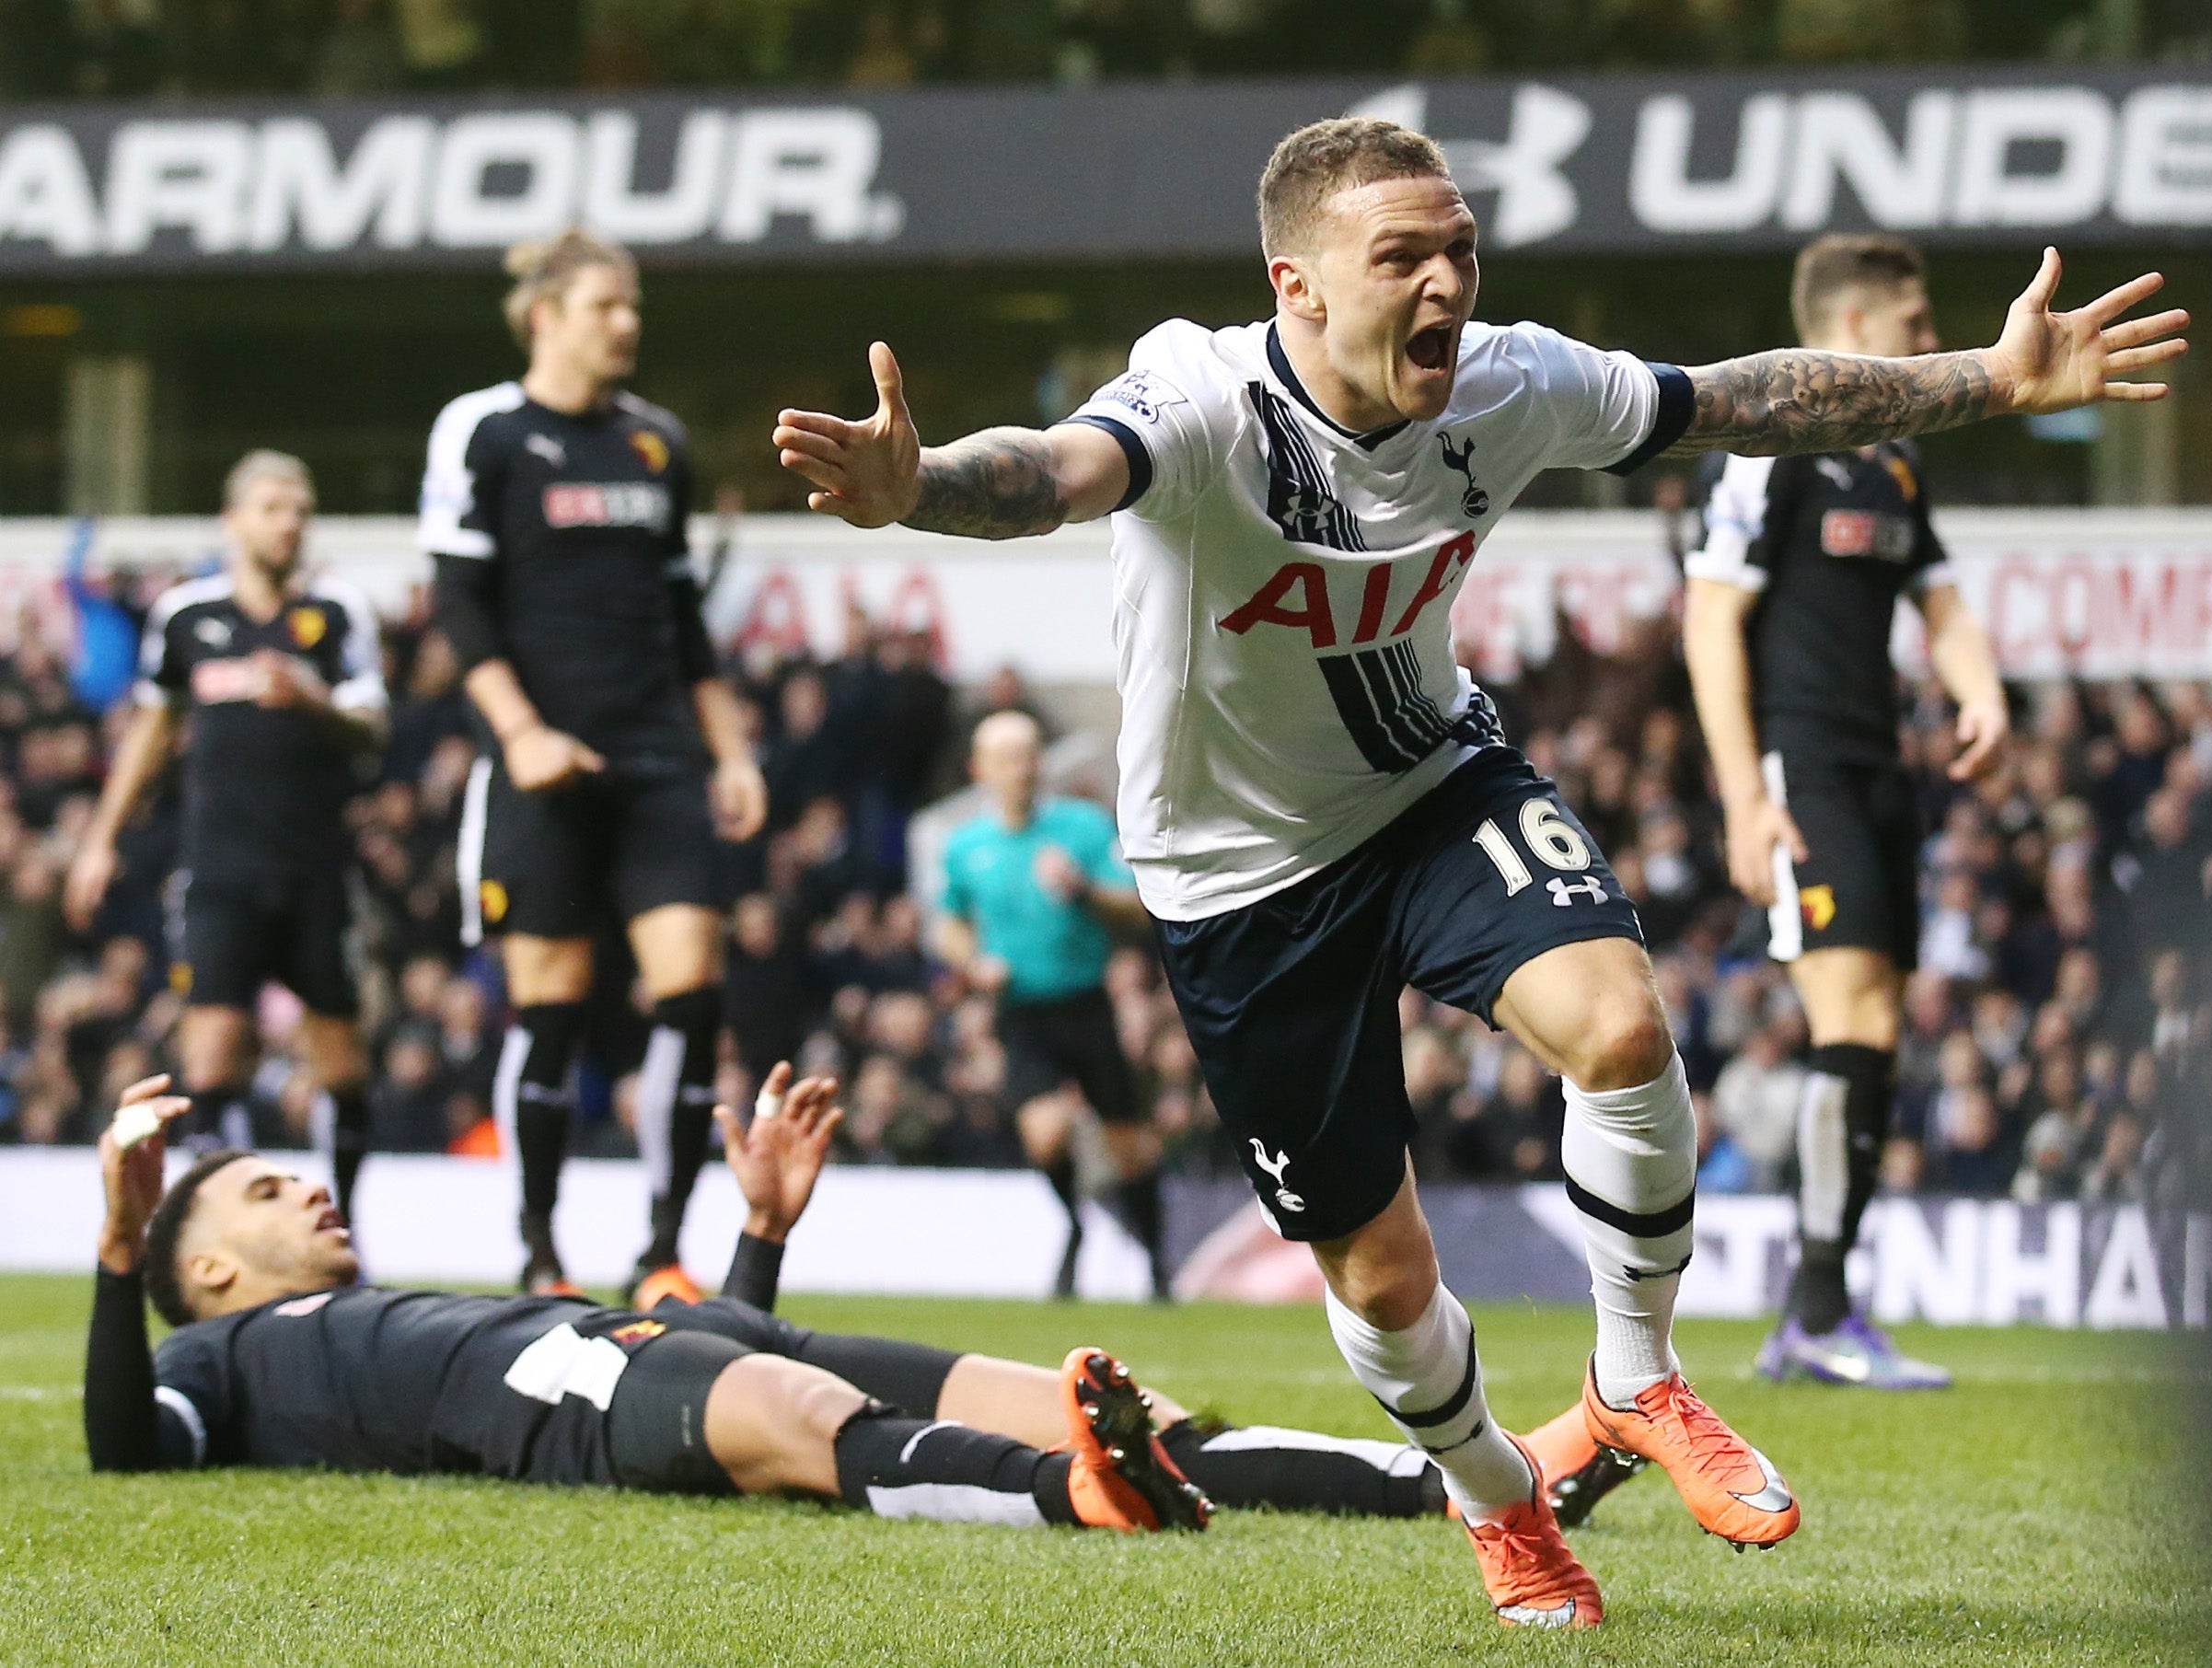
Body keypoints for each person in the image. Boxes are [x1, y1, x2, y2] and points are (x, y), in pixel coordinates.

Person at [770, 116, 2186, 1627]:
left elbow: (1739, 402)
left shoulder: (1510, 379)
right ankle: (1498, 1501)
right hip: (1235, 877)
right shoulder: (1200, 393)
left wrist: (1990, 378)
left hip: (1429, 784)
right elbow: (1054, 470)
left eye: (1460, 249)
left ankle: (1637, 1375)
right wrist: (915, 486)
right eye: (1403, 256)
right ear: (1297, 286)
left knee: (1623, 1026)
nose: (1445, 279)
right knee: (1379, 1280)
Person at [80, 1061, 1483, 1528]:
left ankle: (1455, 1485)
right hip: (577, 1394)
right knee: (802, 1414)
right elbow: (121, 1446)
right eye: (265, 1196)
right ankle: (1074, 1496)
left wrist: (757, 1234)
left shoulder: (369, 1302)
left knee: (1127, 1406)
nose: (306, 1194)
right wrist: (107, 1261)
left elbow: (702, 1321)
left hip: (671, 1330)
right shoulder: (225, 1365)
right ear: (200, 1269)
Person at [1684, 234, 2014, 1392]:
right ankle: (1817, 1312)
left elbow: (1944, 597)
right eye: (1916, 323)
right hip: (1800, 763)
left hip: (1880, 773)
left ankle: (1819, 1311)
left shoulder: (1896, 462)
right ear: (1858, 327)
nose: (1932, 345)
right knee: (1852, 1009)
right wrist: (1742, 796)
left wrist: (1977, 685)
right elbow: (1709, 616)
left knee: (1874, 1016)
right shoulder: (1765, 448)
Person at [420, 229, 768, 1301]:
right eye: (605, 306)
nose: (627, 323)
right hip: (536, 769)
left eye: (632, 306)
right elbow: (458, 606)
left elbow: (683, 623)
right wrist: (520, 734)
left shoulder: (657, 444)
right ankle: (537, 1251)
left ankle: (660, 1251)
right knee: (554, 1006)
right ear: (544, 314)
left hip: (656, 757)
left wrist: (729, 749)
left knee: (692, 994)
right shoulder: (482, 432)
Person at [65, 451, 387, 1228]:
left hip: (315, 870)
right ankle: (236, 1230)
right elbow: (154, 724)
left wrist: (313, 701)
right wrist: (101, 837)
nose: (289, 524)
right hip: (218, 869)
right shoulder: (187, 617)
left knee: (341, 1066)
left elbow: (373, 725)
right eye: (273, 508)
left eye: (300, 511)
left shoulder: (337, 612)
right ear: (234, 519)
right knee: (211, 1055)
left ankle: (346, 1229)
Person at [938, 711, 1164, 1298]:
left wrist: (1083, 891)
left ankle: (1159, 1265)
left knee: (1130, 1147)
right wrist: (973, 962)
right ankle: (1073, 1226)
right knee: (1044, 1133)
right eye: (1006, 757)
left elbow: (1136, 910)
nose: (1021, 768)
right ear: (979, 769)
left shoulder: (1084, 830)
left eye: (1029, 754)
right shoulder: (966, 847)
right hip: (1023, 1011)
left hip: (1086, 1001)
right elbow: (951, 923)